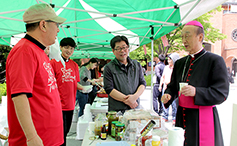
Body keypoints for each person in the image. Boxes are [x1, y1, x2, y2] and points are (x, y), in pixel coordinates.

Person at [6, 3, 66, 146]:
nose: (58, 29)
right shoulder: (24, 51)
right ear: (43, 25)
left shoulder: (38, 51)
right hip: (37, 141)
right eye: (56, 24)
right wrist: (32, 137)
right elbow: (19, 96)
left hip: (51, 137)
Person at [161, 21, 229, 146]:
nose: (184, 40)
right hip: (182, 117)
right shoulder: (180, 63)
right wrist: (168, 95)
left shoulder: (215, 60)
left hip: (202, 117)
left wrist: (196, 92)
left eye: (187, 36)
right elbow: (172, 86)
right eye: (182, 37)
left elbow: (222, 93)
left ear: (200, 37)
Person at [50, 37, 84, 146]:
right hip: (57, 104)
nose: (69, 51)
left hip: (70, 104)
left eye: (71, 48)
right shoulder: (53, 63)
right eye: (66, 48)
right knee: (59, 133)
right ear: (60, 47)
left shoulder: (74, 65)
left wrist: (84, 88)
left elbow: (74, 83)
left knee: (66, 131)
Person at [103, 35, 146, 113]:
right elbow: (109, 89)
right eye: (118, 48)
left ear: (128, 48)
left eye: (124, 47)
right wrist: (128, 101)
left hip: (135, 108)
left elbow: (142, 83)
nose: (122, 51)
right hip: (116, 111)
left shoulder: (136, 65)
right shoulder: (109, 68)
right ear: (113, 51)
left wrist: (134, 97)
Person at [159, 53, 179, 123]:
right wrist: (160, 85)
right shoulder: (166, 67)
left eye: (170, 59)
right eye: (168, 59)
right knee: (164, 102)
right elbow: (163, 77)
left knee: (174, 104)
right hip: (165, 88)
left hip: (172, 89)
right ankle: (165, 116)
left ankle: (174, 117)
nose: (168, 61)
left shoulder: (177, 69)